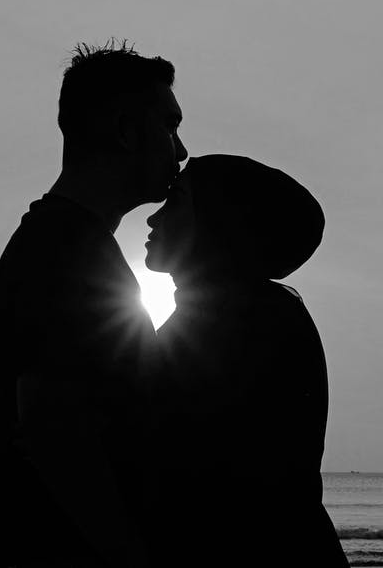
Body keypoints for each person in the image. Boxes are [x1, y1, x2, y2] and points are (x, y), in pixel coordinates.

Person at [0, 40, 188, 568]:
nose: (180, 150)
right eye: (168, 126)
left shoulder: (71, 244)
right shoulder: (63, 251)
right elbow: (56, 431)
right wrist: (131, 559)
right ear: (124, 131)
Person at [142, 154, 347, 567]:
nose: (153, 220)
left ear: (218, 223)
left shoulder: (241, 324)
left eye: (176, 202)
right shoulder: (243, 314)